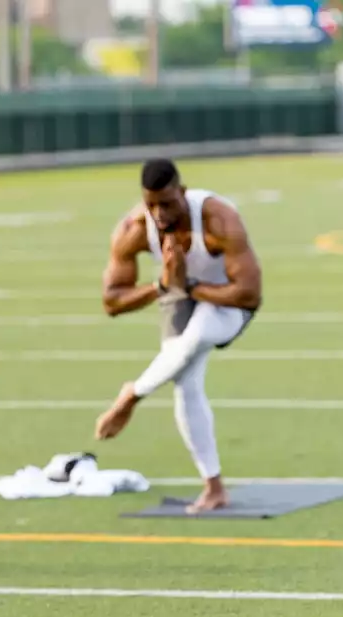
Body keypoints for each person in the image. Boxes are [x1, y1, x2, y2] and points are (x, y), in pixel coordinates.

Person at [94, 158, 263, 514]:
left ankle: (133, 394)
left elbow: (249, 293)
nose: (159, 213)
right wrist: (161, 285)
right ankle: (214, 487)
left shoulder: (218, 219)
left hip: (226, 300)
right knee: (185, 381)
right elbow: (112, 301)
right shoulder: (135, 228)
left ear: (183, 193)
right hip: (176, 290)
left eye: (167, 203)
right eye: (150, 203)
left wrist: (188, 284)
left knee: (197, 334)